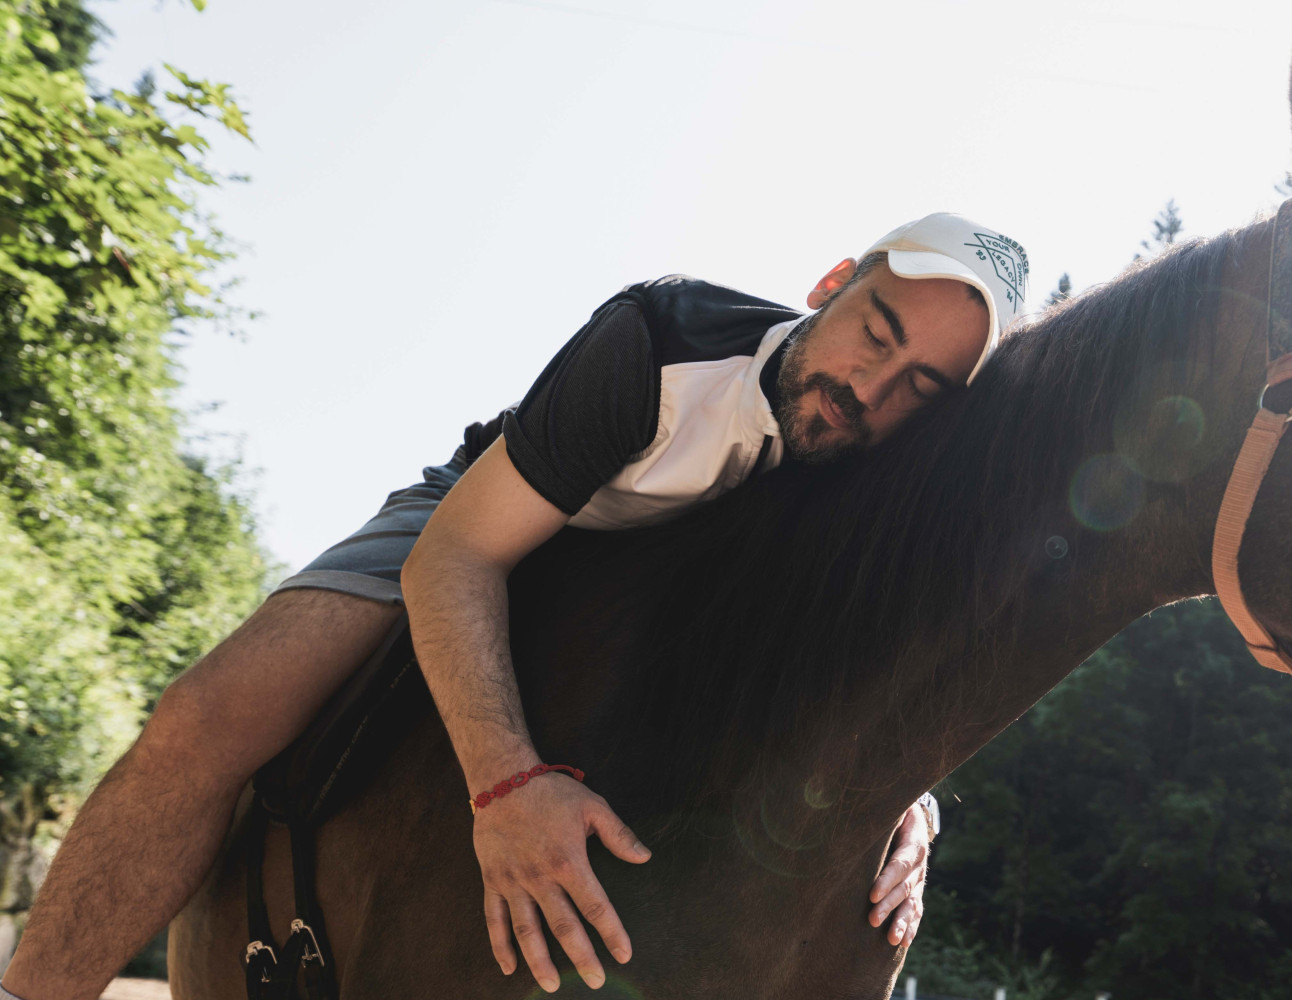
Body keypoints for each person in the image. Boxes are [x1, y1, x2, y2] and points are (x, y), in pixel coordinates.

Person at [1, 212, 1031, 1000]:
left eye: (922, 387)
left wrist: (907, 803)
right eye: (876, 332)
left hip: (664, 608)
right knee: (207, 716)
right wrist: (501, 787)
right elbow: (455, 559)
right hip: (494, 521)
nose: (872, 387)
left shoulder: (873, 476)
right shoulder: (659, 339)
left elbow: (867, 681)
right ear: (832, 284)